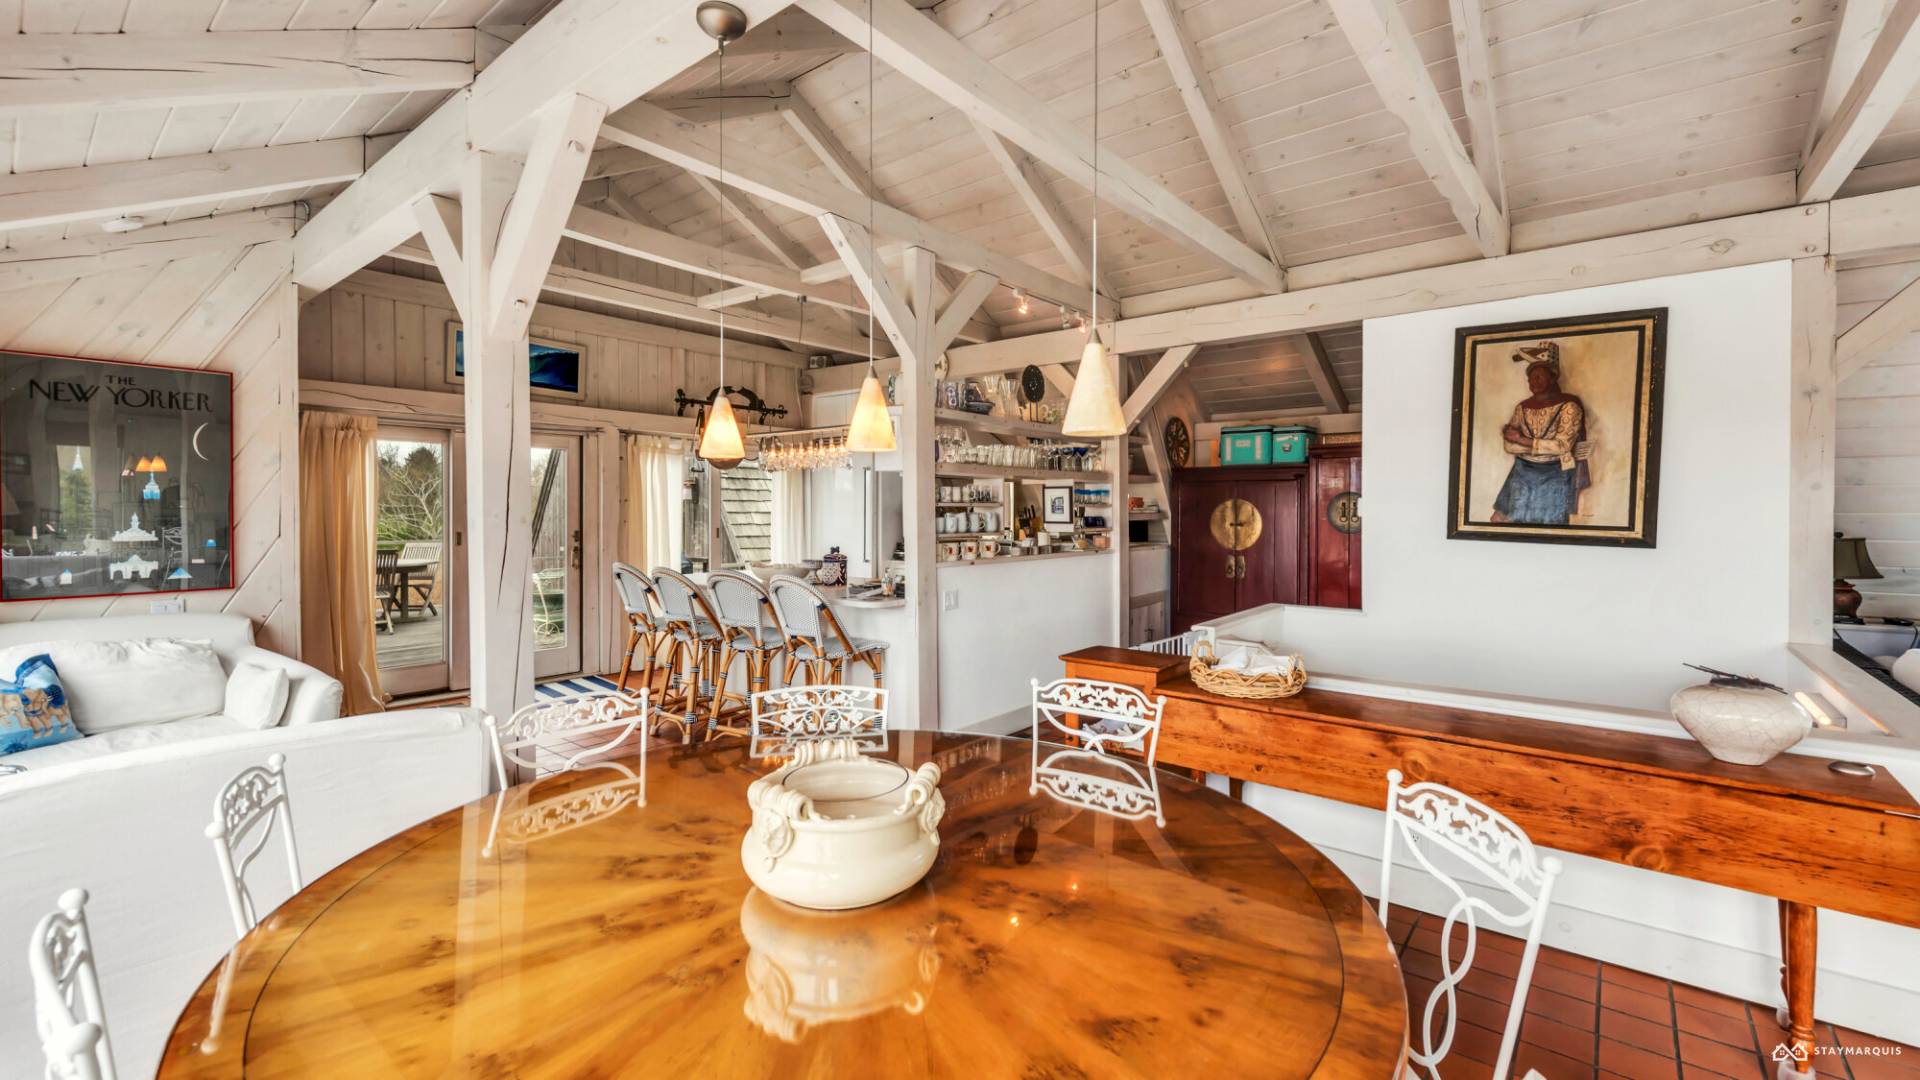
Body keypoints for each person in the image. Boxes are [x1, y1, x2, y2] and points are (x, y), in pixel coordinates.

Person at [1490, 342, 1590, 525]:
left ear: (1553, 378)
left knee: (1547, 526)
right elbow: (1508, 445)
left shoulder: (1569, 406)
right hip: (1522, 472)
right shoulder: (1522, 407)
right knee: (1500, 521)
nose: (1532, 383)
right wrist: (1534, 446)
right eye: (1530, 378)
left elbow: (1563, 446)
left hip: (1555, 473)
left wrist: (1522, 440)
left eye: (1538, 377)